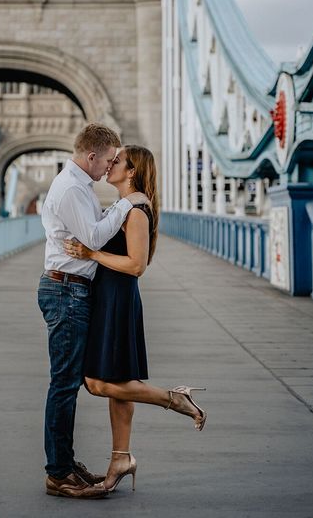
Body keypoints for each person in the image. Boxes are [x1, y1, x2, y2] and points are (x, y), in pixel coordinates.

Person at [64, 145, 207, 493]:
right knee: (119, 384)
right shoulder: (123, 206)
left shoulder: (138, 210)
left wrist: (91, 253)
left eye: (118, 161)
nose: (111, 164)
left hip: (118, 298)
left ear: (131, 171)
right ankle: (120, 459)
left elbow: (137, 265)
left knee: (96, 382)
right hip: (108, 296)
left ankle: (174, 399)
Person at [38, 124, 149, 499]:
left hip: (74, 290)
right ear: (91, 157)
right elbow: (94, 238)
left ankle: (65, 465)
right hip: (65, 290)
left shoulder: (81, 187)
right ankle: (58, 473)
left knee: (72, 383)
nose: (108, 167)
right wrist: (129, 201)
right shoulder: (71, 188)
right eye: (107, 159)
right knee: (65, 385)